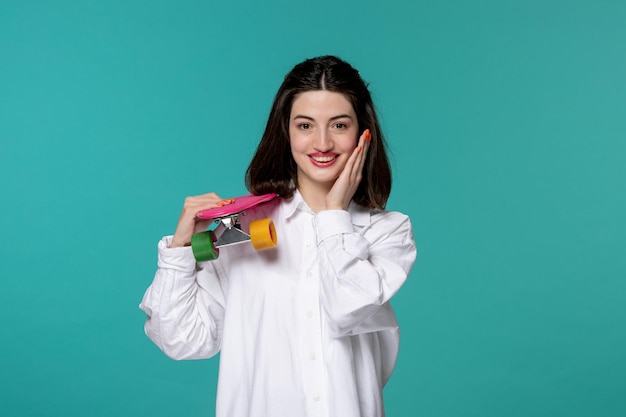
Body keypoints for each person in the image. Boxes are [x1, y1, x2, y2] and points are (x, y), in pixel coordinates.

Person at [139, 55, 417, 417]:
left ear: (363, 134)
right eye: (305, 125)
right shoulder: (239, 229)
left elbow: (348, 308)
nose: (321, 143)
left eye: (339, 125)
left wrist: (334, 214)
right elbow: (183, 340)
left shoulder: (387, 232)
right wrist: (179, 251)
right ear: (285, 131)